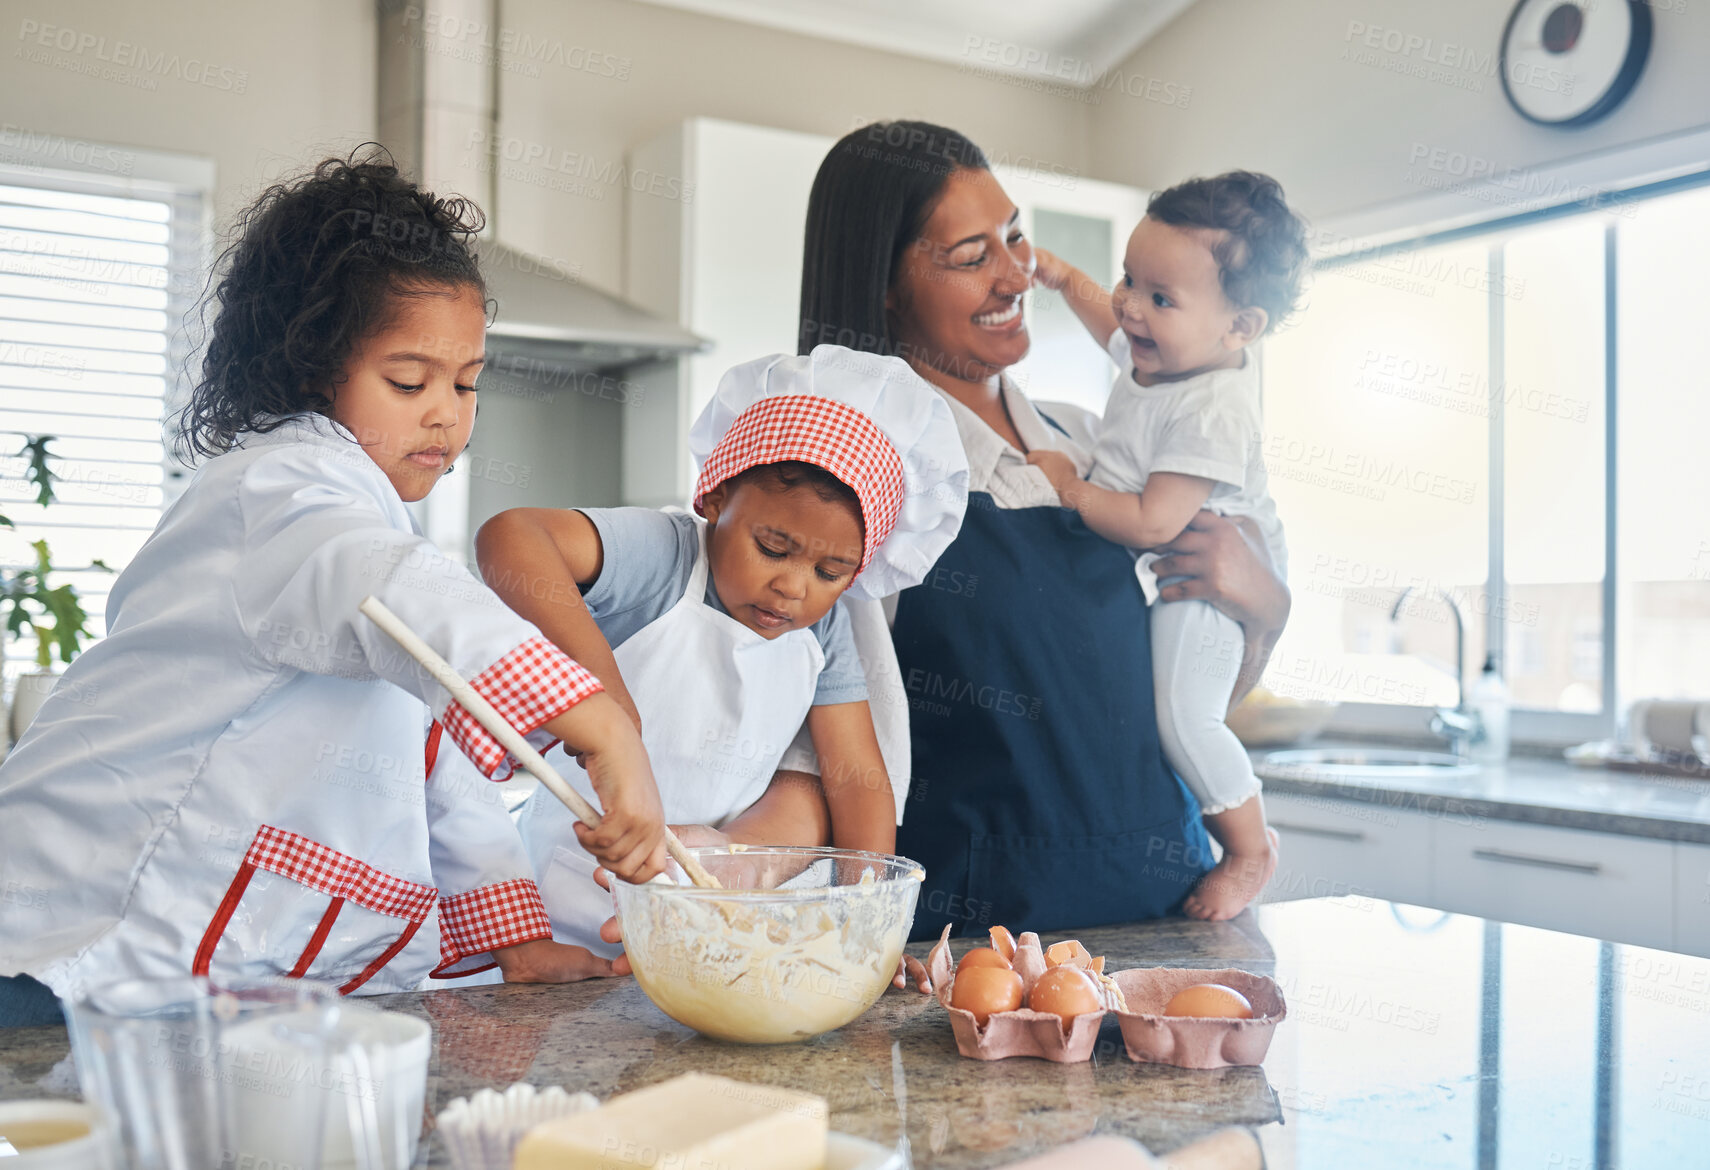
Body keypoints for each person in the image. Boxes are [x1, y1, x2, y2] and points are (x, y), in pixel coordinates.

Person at [0, 150, 665, 1026]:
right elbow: (394, 591)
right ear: (311, 365)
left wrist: (515, 935)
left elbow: (439, 763)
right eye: (408, 381)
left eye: (468, 384)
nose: (446, 414)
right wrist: (602, 724)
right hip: (76, 945)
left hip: (188, 974)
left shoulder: (372, 525)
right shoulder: (276, 490)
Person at [795, 122, 1293, 941]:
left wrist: (1265, 611)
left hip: (1174, 928)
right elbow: (822, 747)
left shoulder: (1103, 445)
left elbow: (1181, 700)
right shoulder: (858, 482)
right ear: (884, 286)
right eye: (970, 255)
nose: (1016, 273)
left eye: (1016, 236)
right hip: (977, 954)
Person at [474, 345, 967, 956]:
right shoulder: (663, 556)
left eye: (831, 570)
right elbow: (512, 535)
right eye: (773, 547)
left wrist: (867, 926)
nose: (794, 587)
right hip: (565, 912)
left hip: (703, 913)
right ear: (714, 498)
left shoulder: (823, 628)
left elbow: (858, 777)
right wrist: (607, 708)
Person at [1025, 172, 1306, 920]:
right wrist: (1062, 279)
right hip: (1177, 568)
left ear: (1239, 327)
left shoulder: (1212, 405)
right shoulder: (1167, 355)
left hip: (1201, 586)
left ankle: (1250, 849)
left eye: (1159, 298)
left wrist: (1070, 487)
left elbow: (1154, 522)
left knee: (1185, 719)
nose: (1129, 307)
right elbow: (1109, 326)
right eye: (1128, 278)